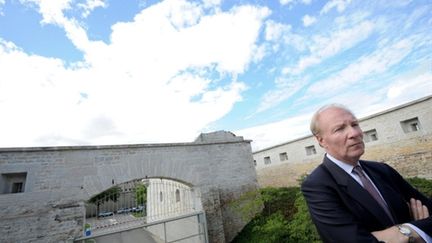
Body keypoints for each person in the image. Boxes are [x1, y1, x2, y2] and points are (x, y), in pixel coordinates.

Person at [301, 104, 432, 243]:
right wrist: (416, 232)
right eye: (339, 129)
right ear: (321, 140)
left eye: (355, 124)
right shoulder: (317, 185)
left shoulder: (382, 169)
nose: (355, 133)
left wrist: (406, 232)